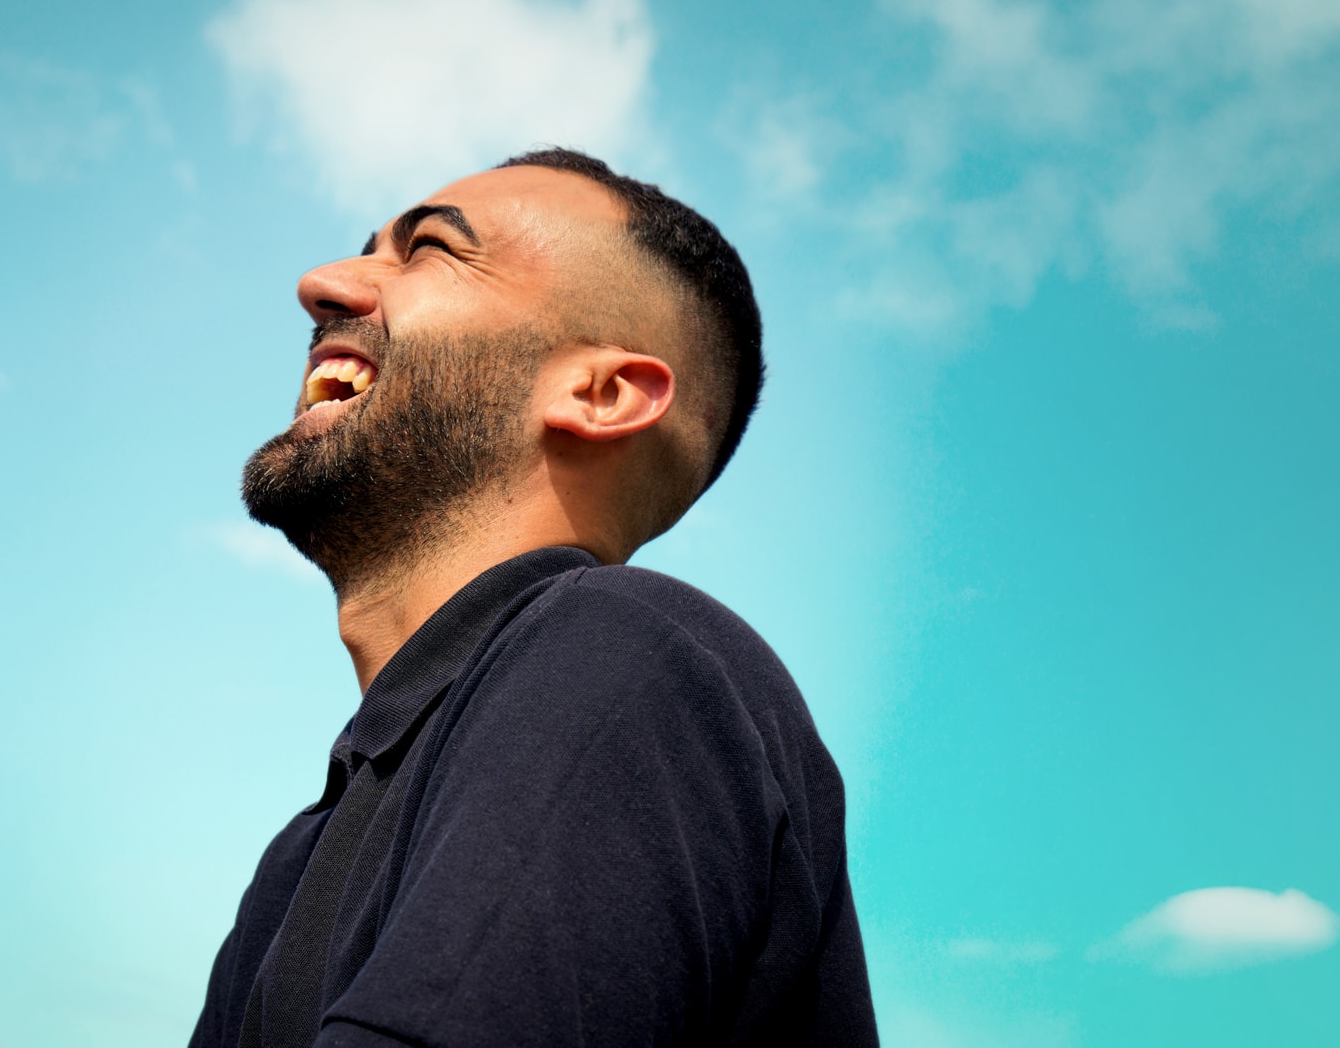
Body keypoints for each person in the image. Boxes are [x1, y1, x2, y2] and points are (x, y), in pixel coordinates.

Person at [189, 149, 876, 1047]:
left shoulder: (627, 654)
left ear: (603, 393)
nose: (320, 284)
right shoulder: (301, 854)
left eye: (429, 250)